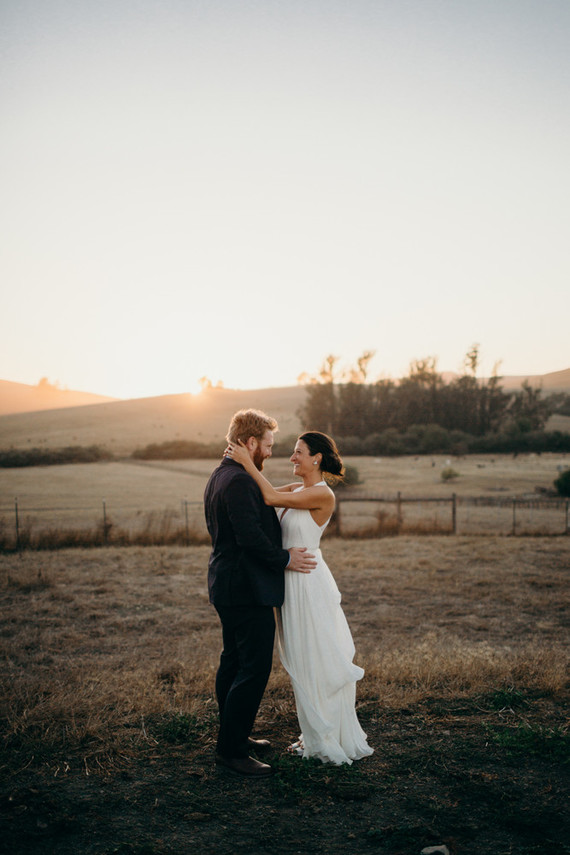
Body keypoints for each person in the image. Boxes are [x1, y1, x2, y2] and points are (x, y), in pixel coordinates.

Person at [227, 430, 373, 765]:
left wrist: (247, 461)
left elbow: (269, 496)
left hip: (308, 583)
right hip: (290, 583)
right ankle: (313, 732)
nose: (292, 457)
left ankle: (325, 737)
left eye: (298, 452)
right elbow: (260, 495)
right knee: (301, 659)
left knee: (315, 658)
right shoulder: (298, 489)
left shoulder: (322, 495)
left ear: (316, 458)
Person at [204, 409, 317, 777]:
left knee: (233, 662)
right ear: (250, 442)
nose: (270, 452)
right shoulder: (237, 480)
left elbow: (259, 505)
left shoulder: (224, 474)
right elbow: (249, 537)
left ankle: (233, 734)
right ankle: (231, 752)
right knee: (253, 668)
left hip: (229, 585)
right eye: (267, 445)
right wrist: (285, 558)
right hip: (245, 588)